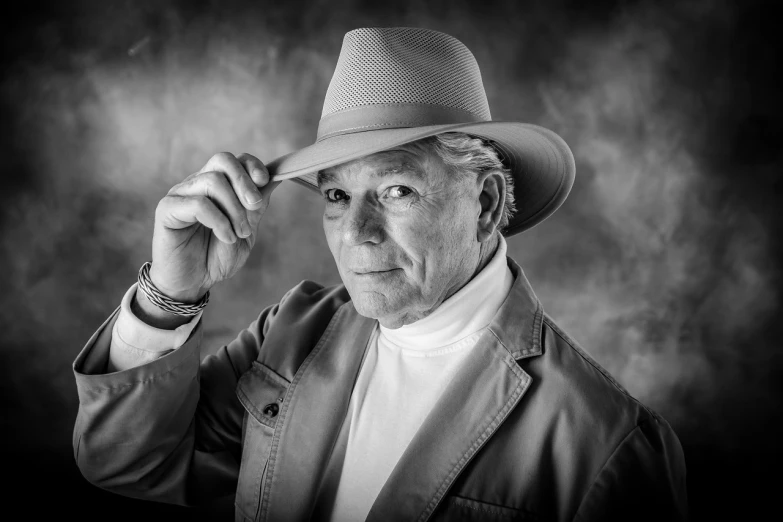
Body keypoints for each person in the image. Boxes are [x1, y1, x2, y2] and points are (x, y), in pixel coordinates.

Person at [72, 27, 688, 521]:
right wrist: (170, 294)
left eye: (396, 189)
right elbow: (128, 463)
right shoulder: (292, 331)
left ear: (487, 204)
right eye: (336, 195)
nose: (355, 233)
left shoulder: (606, 443)